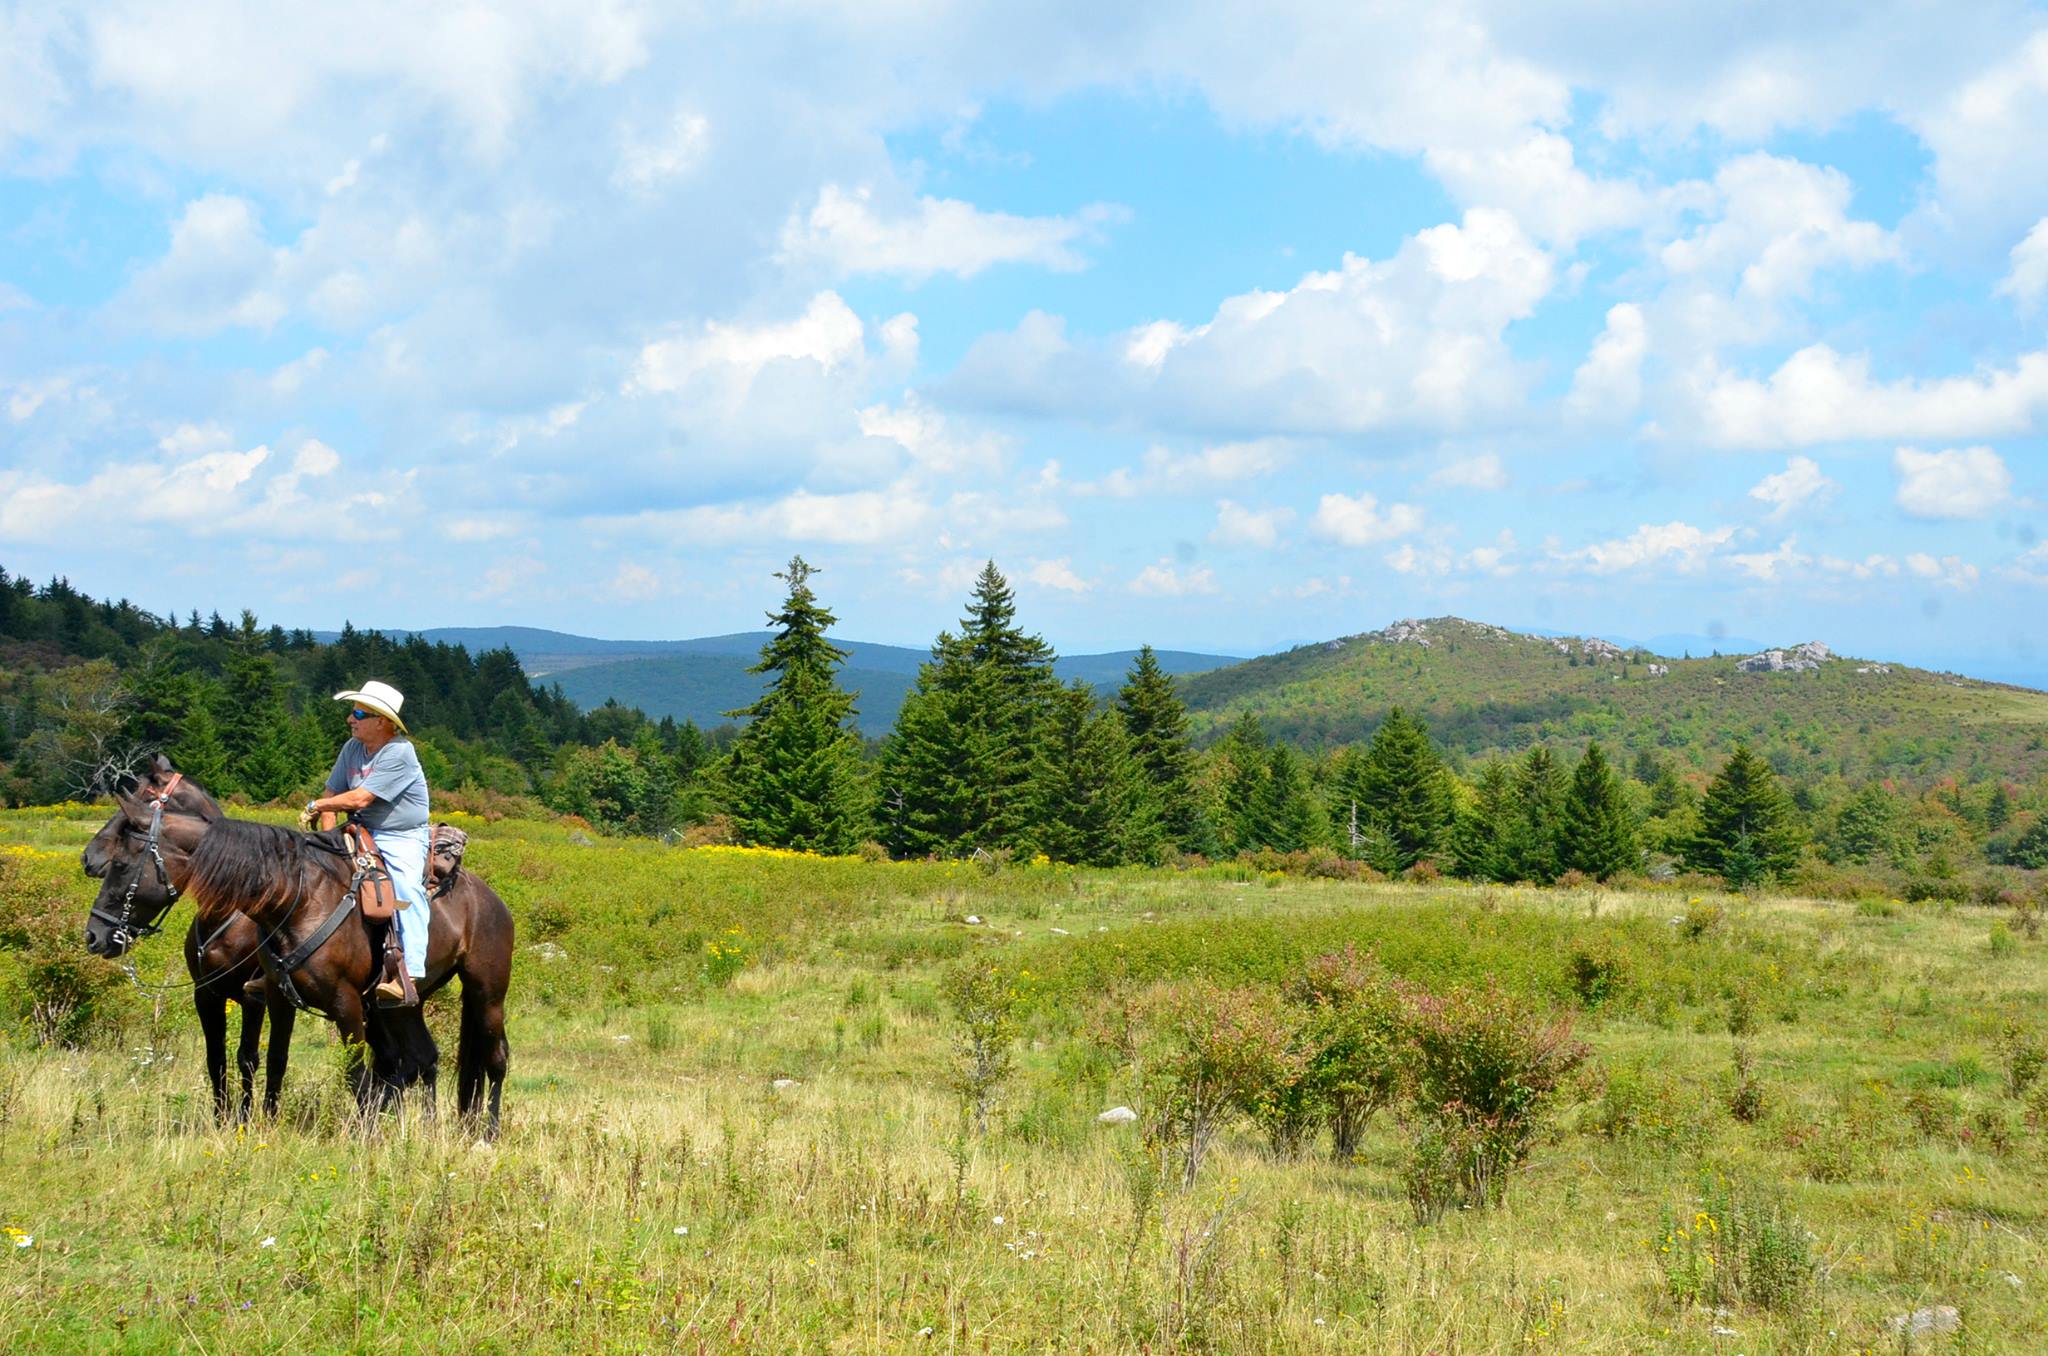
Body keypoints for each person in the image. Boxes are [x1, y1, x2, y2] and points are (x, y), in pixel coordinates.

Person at [298, 680, 430, 1005]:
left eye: (358, 712)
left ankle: (408, 973)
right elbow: (334, 795)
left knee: (405, 886)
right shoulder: (352, 748)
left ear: (382, 721)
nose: (350, 719)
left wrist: (316, 807)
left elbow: (359, 798)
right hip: (359, 830)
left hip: (401, 836)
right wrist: (326, 840)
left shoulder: (400, 753)